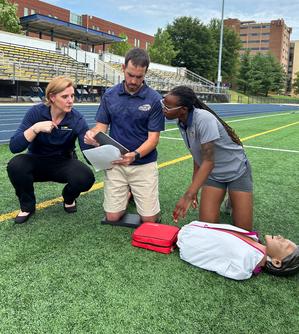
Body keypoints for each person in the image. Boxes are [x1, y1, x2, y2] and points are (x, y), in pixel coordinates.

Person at [84, 48, 164, 223]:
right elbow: (100, 127)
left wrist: (134, 155)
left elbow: (154, 139)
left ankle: (135, 193)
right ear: (123, 68)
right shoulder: (110, 95)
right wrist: (92, 135)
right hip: (116, 163)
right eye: (130, 75)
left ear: (145, 73)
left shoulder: (154, 99)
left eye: (139, 77)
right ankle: (128, 193)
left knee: (149, 220)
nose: (134, 81)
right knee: (112, 217)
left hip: (143, 163)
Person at [162, 86, 253, 231]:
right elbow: (197, 154)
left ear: (183, 109)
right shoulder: (181, 122)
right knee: (208, 229)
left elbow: (209, 161)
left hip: (236, 170)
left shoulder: (204, 119)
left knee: (244, 231)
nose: (163, 108)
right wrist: (195, 185)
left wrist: (189, 194)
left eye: (167, 106)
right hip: (214, 176)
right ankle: (230, 198)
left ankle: (232, 198)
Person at [7, 76, 95, 224]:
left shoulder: (77, 119)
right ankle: (28, 205)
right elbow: (14, 147)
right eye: (65, 96)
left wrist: (94, 144)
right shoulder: (35, 113)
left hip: (63, 162)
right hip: (36, 160)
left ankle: (68, 197)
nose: (70, 100)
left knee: (86, 177)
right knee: (15, 165)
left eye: (72, 96)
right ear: (52, 97)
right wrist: (35, 128)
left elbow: (88, 155)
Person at [177, 221, 299, 280]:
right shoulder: (255, 241)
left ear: (277, 262)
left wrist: (187, 247)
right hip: (193, 230)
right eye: (286, 240)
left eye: (284, 245)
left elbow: (213, 260)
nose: (281, 237)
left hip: (189, 241)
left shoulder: (244, 264)